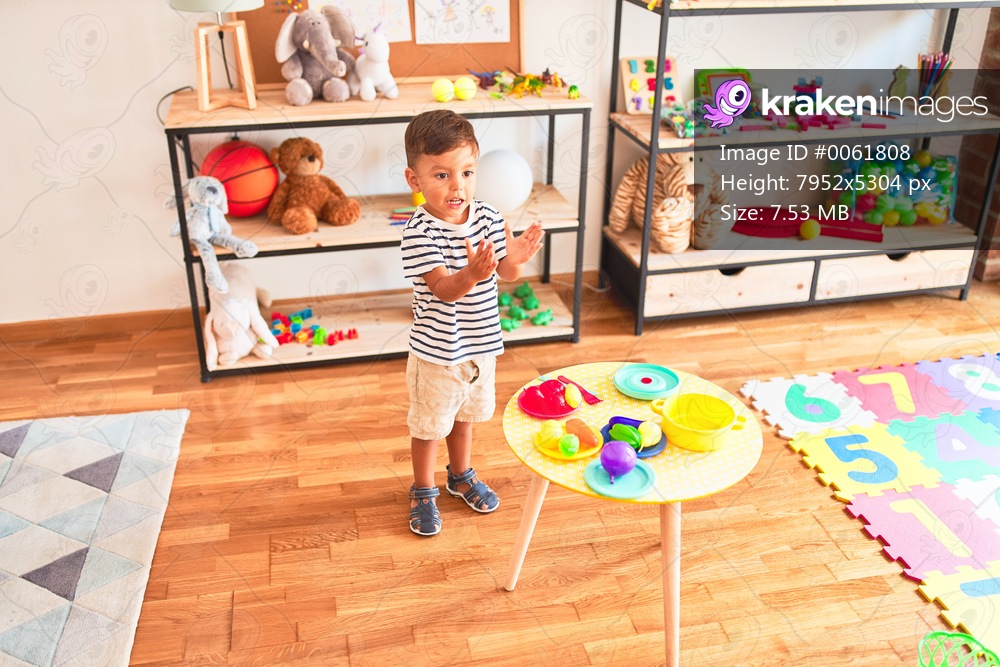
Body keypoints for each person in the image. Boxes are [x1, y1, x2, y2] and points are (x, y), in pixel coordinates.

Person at [400, 109, 544, 536]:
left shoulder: (488, 216)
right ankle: (422, 489)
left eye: (465, 171)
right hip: (438, 355)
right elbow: (444, 289)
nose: (457, 185)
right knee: (430, 426)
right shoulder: (418, 231)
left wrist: (513, 261)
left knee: (466, 417)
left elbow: (507, 273)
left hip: (481, 348)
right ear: (415, 180)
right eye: (441, 175)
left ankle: (460, 475)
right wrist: (474, 275)